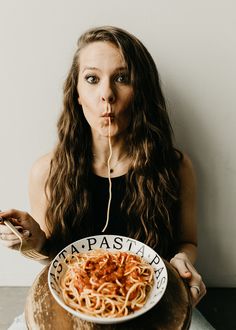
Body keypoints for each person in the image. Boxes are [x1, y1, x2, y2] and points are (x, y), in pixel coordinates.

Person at [0, 26, 214, 329]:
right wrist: (32, 241)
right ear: (76, 93)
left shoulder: (176, 167)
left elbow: (187, 241)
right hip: (74, 309)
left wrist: (182, 262)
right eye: (92, 79)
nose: (107, 95)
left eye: (122, 78)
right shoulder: (46, 171)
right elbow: (53, 258)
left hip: (155, 302)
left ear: (141, 91)